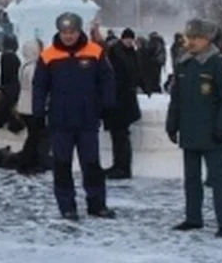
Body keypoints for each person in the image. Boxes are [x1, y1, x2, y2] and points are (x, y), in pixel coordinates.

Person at [32, 13, 116, 220]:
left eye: (72, 32)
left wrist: (107, 105)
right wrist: (38, 111)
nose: (68, 36)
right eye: (64, 32)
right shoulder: (48, 55)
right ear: (59, 32)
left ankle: (97, 204)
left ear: (79, 31)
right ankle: (67, 206)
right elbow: (39, 86)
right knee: (62, 165)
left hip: (87, 119)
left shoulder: (95, 52)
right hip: (60, 120)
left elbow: (107, 80)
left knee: (92, 165)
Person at [166, 18, 222, 237]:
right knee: (191, 178)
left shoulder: (220, 64)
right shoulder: (183, 63)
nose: (192, 42)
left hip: (211, 132)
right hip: (189, 130)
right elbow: (176, 98)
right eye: (190, 37)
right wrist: (172, 123)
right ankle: (193, 218)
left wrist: (221, 127)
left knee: (217, 179)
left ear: (208, 39)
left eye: (196, 37)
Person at [103, 29, 142, 180]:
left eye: (131, 39)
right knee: (118, 136)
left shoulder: (127, 54)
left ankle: (122, 167)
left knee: (121, 136)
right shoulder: (120, 53)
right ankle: (118, 165)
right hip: (119, 101)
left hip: (122, 101)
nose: (129, 42)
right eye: (127, 39)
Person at [15, 40, 49, 175]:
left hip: (23, 105)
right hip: (32, 106)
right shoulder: (34, 67)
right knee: (34, 137)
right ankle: (26, 163)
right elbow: (38, 87)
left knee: (33, 136)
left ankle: (28, 162)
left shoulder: (24, 65)